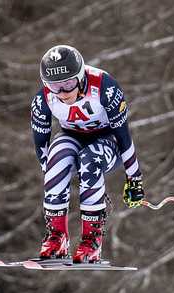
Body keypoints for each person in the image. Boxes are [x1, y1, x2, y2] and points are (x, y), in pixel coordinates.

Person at [31, 45, 145, 263]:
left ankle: (91, 240)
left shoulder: (105, 88)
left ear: (81, 76)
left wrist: (135, 180)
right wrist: (55, 178)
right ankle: (57, 237)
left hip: (107, 142)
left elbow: (124, 138)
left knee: (90, 158)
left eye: (69, 84)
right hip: (72, 138)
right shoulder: (43, 100)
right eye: (55, 86)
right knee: (58, 153)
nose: (63, 93)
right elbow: (42, 147)